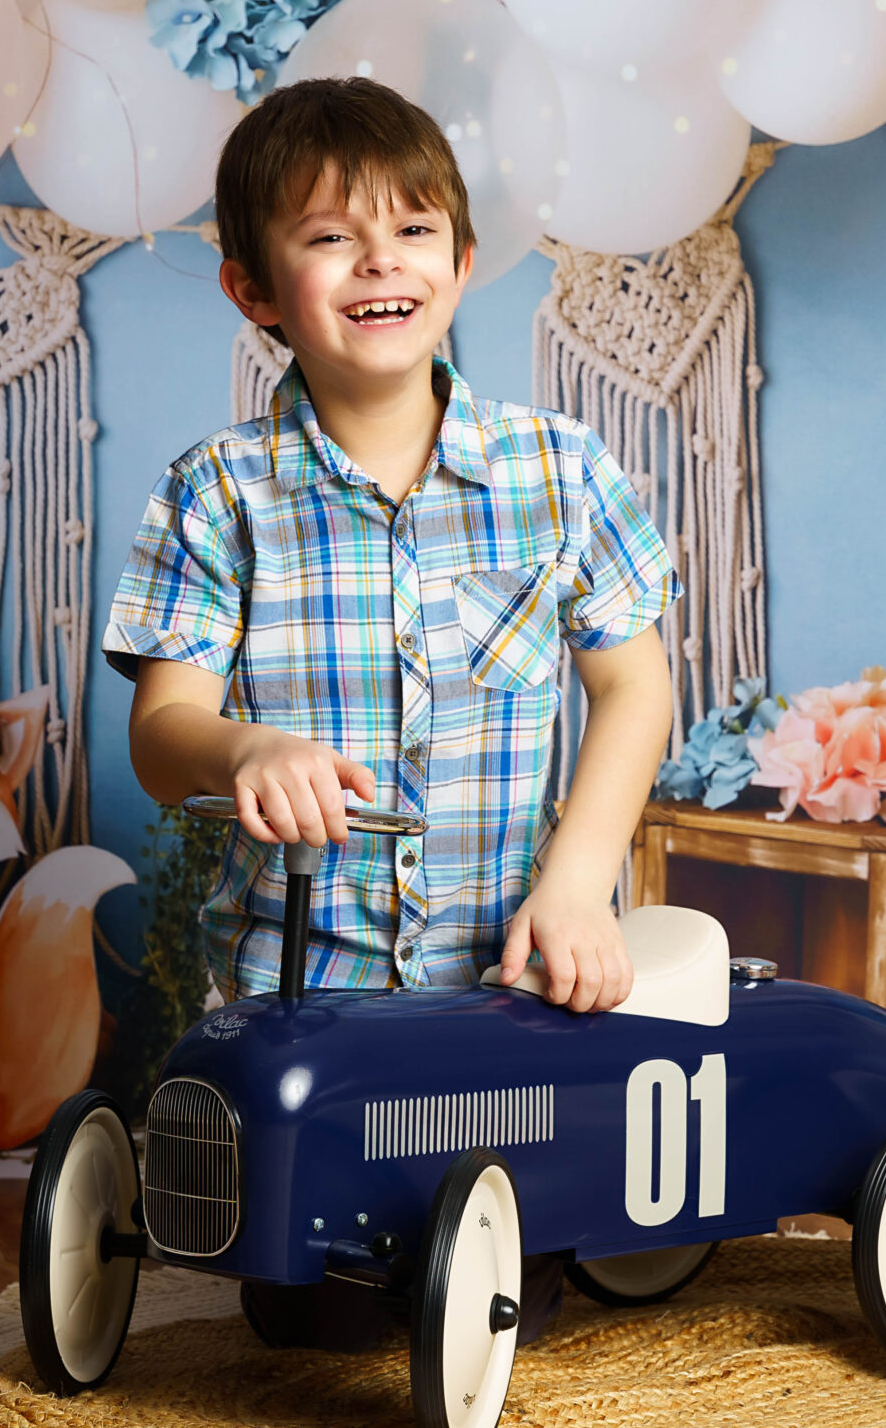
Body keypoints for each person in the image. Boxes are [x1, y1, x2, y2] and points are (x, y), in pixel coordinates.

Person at [103, 75, 678, 1349]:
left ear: (463, 263)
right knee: (323, 1322)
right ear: (253, 291)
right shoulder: (217, 494)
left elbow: (636, 687)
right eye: (327, 237)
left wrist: (580, 882)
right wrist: (242, 745)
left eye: (413, 230)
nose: (380, 262)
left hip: (520, 979)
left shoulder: (560, 472)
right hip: (309, 990)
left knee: (532, 1282)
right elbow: (160, 736)